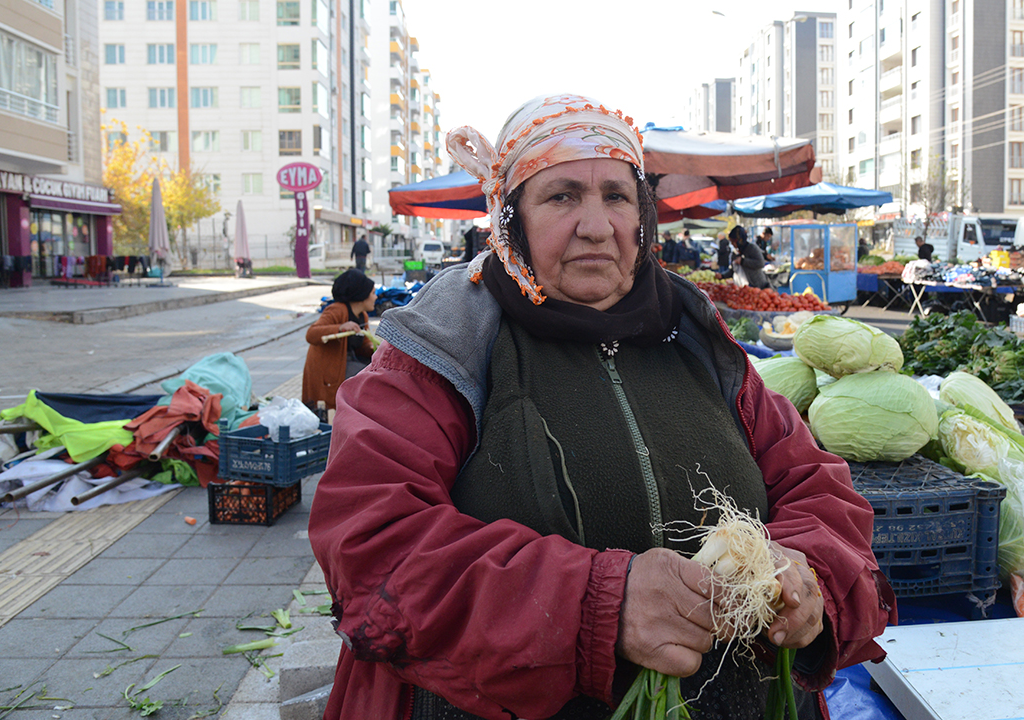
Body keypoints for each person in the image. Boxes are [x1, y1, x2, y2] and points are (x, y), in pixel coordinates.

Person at [308, 93, 896, 720]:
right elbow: (373, 544)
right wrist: (599, 606)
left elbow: (816, 487)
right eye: (561, 196)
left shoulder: (694, 335)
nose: (596, 225)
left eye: (616, 196)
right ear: (511, 219)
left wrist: (813, 578)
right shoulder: (443, 345)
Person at [302, 268, 375, 412]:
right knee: (369, 380)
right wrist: (340, 327)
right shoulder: (337, 310)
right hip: (331, 372)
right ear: (361, 295)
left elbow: (364, 346)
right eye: (373, 293)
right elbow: (311, 334)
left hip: (348, 363)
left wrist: (377, 348)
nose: (376, 297)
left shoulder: (363, 316)